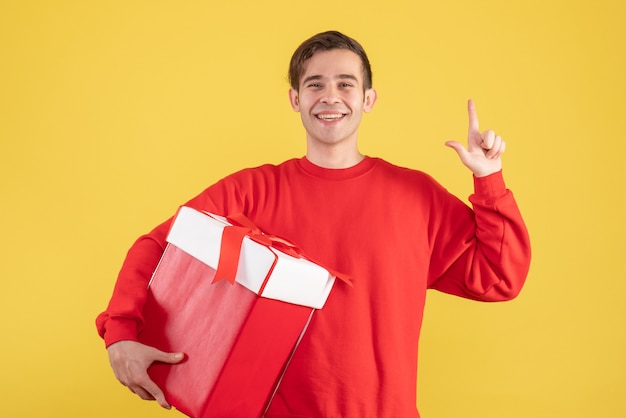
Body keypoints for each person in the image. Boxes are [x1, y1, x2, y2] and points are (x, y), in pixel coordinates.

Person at [96, 30, 531, 418]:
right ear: (295, 99)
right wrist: (120, 334)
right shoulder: (252, 192)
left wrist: (488, 178)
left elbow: (499, 276)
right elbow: (156, 246)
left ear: (368, 99)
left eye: (346, 84)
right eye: (314, 84)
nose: (330, 96)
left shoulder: (417, 197)